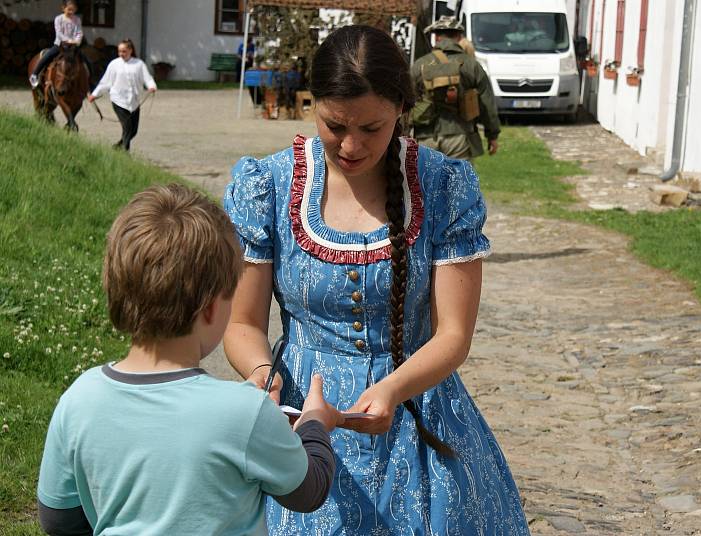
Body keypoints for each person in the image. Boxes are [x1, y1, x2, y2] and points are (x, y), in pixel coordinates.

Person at [223, 25, 528, 534]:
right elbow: (242, 322)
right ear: (313, 103)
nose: (350, 144)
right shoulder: (269, 188)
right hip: (303, 423)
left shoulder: (442, 187)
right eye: (335, 124)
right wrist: (263, 376)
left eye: (372, 128)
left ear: (401, 111)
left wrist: (392, 388)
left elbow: (453, 334)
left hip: (419, 414)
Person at [37, 183, 344, 535]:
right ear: (212, 308)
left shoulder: (79, 399)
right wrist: (314, 423)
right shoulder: (245, 413)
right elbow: (309, 491)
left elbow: (58, 520)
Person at [410, 16, 501, 161]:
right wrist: (492, 136)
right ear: (459, 37)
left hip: (426, 137)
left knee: (428, 183)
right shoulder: (472, 65)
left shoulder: (419, 65)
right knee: (458, 183)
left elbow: (407, 103)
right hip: (460, 136)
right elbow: (486, 103)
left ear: (437, 37)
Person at [88, 39, 156, 151]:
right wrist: (94, 94)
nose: (121, 54)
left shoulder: (139, 64)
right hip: (118, 100)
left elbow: (147, 78)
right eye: (119, 51)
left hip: (134, 101)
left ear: (130, 50)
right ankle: (125, 152)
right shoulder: (114, 64)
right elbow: (106, 82)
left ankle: (117, 147)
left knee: (134, 131)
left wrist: (151, 86)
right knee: (127, 127)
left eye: (124, 51)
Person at [29, 0, 90, 88]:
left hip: (72, 46)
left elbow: (79, 32)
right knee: (47, 56)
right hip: (60, 45)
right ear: (63, 8)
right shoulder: (58, 19)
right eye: (69, 9)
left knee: (85, 59)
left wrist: (77, 41)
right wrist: (68, 40)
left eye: (73, 10)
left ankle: (90, 82)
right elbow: (59, 33)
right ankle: (34, 74)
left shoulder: (77, 20)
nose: (71, 12)